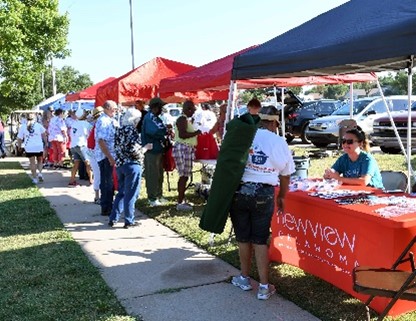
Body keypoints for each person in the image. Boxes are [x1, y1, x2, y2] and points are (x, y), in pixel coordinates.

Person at [230, 105, 295, 300]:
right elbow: (286, 174)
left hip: (240, 191)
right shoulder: (279, 141)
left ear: (259, 120)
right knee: (259, 239)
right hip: (264, 193)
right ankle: (264, 287)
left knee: (243, 237)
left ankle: (244, 277)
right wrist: (282, 196)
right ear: (275, 122)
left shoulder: (245, 135)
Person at [108, 107, 153, 228]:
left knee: (121, 193)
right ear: (134, 120)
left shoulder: (119, 130)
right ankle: (129, 220)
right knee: (131, 194)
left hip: (120, 164)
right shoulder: (132, 131)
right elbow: (134, 151)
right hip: (132, 165)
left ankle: (113, 218)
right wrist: (145, 148)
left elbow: (116, 148)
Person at [172, 100, 201, 211]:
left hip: (186, 148)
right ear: (188, 109)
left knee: (185, 175)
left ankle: (181, 199)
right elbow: (183, 135)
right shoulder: (182, 119)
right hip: (183, 148)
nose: (193, 112)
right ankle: (180, 202)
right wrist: (196, 133)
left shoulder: (186, 119)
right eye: (193, 110)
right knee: (183, 176)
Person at [141, 97, 168, 207]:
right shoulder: (149, 118)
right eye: (160, 107)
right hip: (151, 150)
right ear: (156, 107)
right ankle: (152, 198)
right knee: (152, 174)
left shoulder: (156, 118)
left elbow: (161, 128)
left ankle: (158, 194)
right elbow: (154, 131)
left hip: (158, 149)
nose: (162, 109)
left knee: (158, 174)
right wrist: (164, 131)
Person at [95, 100, 119, 216]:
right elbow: (101, 141)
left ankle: (109, 204)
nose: (116, 111)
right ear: (108, 108)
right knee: (107, 182)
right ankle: (106, 207)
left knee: (110, 182)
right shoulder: (103, 121)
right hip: (105, 157)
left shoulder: (110, 120)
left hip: (110, 156)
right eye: (114, 108)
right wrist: (109, 157)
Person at [17, 113, 48, 184]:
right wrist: (46, 143)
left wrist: (19, 146)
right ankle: (40, 173)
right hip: (38, 146)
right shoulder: (38, 125)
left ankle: (34, 178)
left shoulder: (23, 126)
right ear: (35, 118)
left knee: (32, 163)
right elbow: (44, 135)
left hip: (29, 147)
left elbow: (19, 138)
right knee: (40, 161)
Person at [68, 110, 92, 187]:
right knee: (88, 163)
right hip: (82, 144)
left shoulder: (74, 124)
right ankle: (91, 180)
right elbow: (89, 134)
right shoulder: (86, 124)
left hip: (73, 145)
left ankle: (72, 180)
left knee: (76, 163)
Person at [87, 106, 104, 204]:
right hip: (96, 152)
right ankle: (97, 196)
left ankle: (98, 195)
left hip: (92, 151)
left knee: (98, 174)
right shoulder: (98, 125)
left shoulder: (91, 125)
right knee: (98, 174)